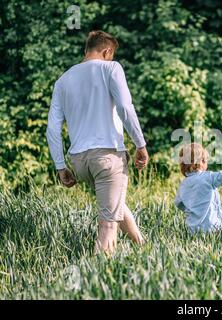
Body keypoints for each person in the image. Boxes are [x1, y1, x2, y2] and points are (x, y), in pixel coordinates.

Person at [46, 30, 149, 254]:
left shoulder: (63, 80)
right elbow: (125, 108)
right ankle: (96, 281)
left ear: (86, 50)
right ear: (107, 51)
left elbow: (52, 128)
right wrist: (140, 145)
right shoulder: (111, 68)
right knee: (108, 224)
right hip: (108, 156)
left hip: (80, 162)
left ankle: (143, 247)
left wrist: (60, 166)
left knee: (114, 205)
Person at [174, 143, 222, 233]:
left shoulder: (184, 184)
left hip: (192, 230)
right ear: (201, 161)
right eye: (206, 160)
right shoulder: (208, 178)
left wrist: (191, 209)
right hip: (211, 228)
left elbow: (178, 202)